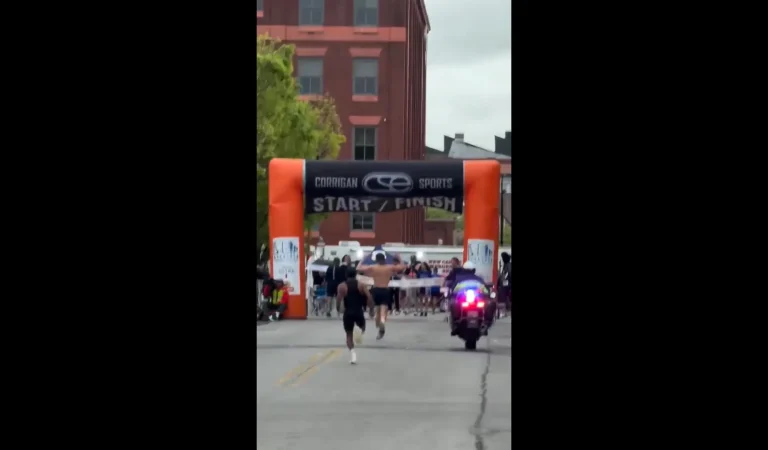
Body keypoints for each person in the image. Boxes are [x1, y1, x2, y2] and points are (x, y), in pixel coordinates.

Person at [357, 252, 408, 339]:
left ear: (376, 260)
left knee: (377, 310)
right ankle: (382, 322)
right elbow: (403, 267)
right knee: (383, 310)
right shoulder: (389, 267)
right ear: (384, 259)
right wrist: (399, 258)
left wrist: (363, 258)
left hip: (376, 290)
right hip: (385, 290)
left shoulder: (373, 267)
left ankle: (379, 324)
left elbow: (358, 268)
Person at [337, 267, 372, 364]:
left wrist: (338, 309)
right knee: (362, 328)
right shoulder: (361, 285)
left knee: (349, 334)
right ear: (356, 275)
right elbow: (369, 297)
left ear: (346, 275)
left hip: (348, 313)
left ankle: (353, 354)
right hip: (358, 312)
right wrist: (370, 308)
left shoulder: (342, 286)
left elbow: (338, 299)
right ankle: (359, 331)